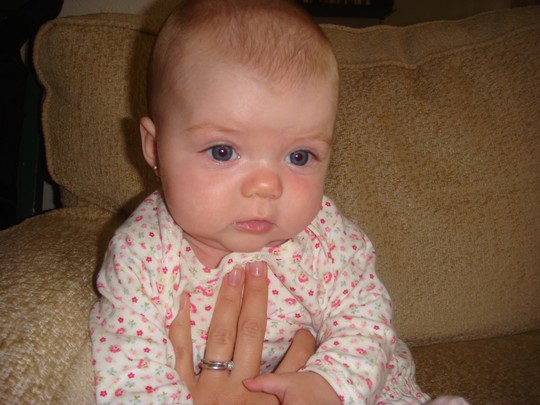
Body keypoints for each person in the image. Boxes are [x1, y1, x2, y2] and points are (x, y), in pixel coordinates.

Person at [89, 1, 469, 404]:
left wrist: (330, 385)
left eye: (299, 157)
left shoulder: (327, 237)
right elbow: (130, 375)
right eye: (222, 151)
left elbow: (365, 317)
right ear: (154, 147)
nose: (267, 186)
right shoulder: (140, 257)